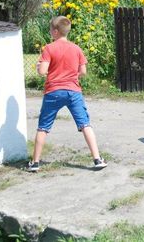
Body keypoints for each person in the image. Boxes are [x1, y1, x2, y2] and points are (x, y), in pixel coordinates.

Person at [27, 16, 107, 172]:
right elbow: (83, 71)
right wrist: (72, 76)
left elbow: (43, 71)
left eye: (51, 29)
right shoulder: (76, 48)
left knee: (43, 127)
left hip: (53, 92)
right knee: (85, 124)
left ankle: (35, 163)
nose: (50, 32)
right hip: (73, 91)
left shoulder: (49, 48)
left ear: (55, 31)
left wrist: (38, 67)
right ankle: (97, 159)